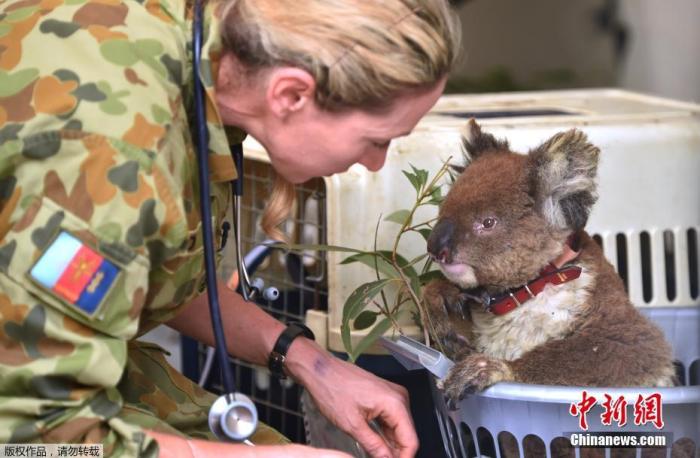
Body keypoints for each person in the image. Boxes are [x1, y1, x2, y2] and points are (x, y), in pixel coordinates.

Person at [0, 0, 459, 456]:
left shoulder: (196, 47)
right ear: (291, 95)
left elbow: (136, 269)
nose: (376, 162)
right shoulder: (117, 161)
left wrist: (314, 364)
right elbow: (33, 439)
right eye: (377, 140)